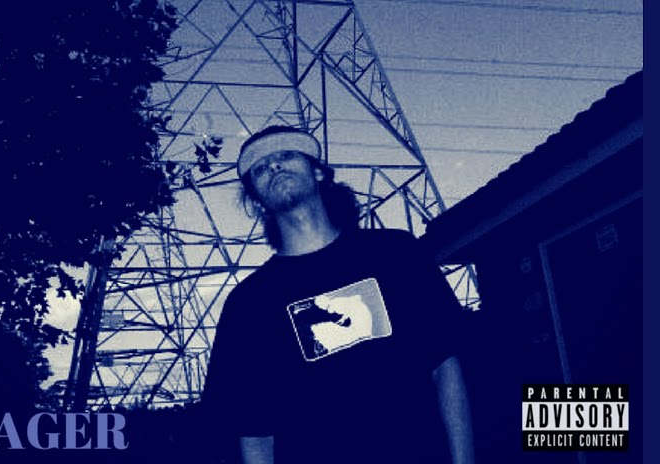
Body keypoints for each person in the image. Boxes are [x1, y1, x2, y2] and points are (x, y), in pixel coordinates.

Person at [201, 126, 475, 464]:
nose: (273, 166)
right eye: (259, 168)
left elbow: (445, 366)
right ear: (256, 201)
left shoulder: (396, 254)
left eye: (286, 155)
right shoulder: (248, 304)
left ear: (318, 172)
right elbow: (254, 431)